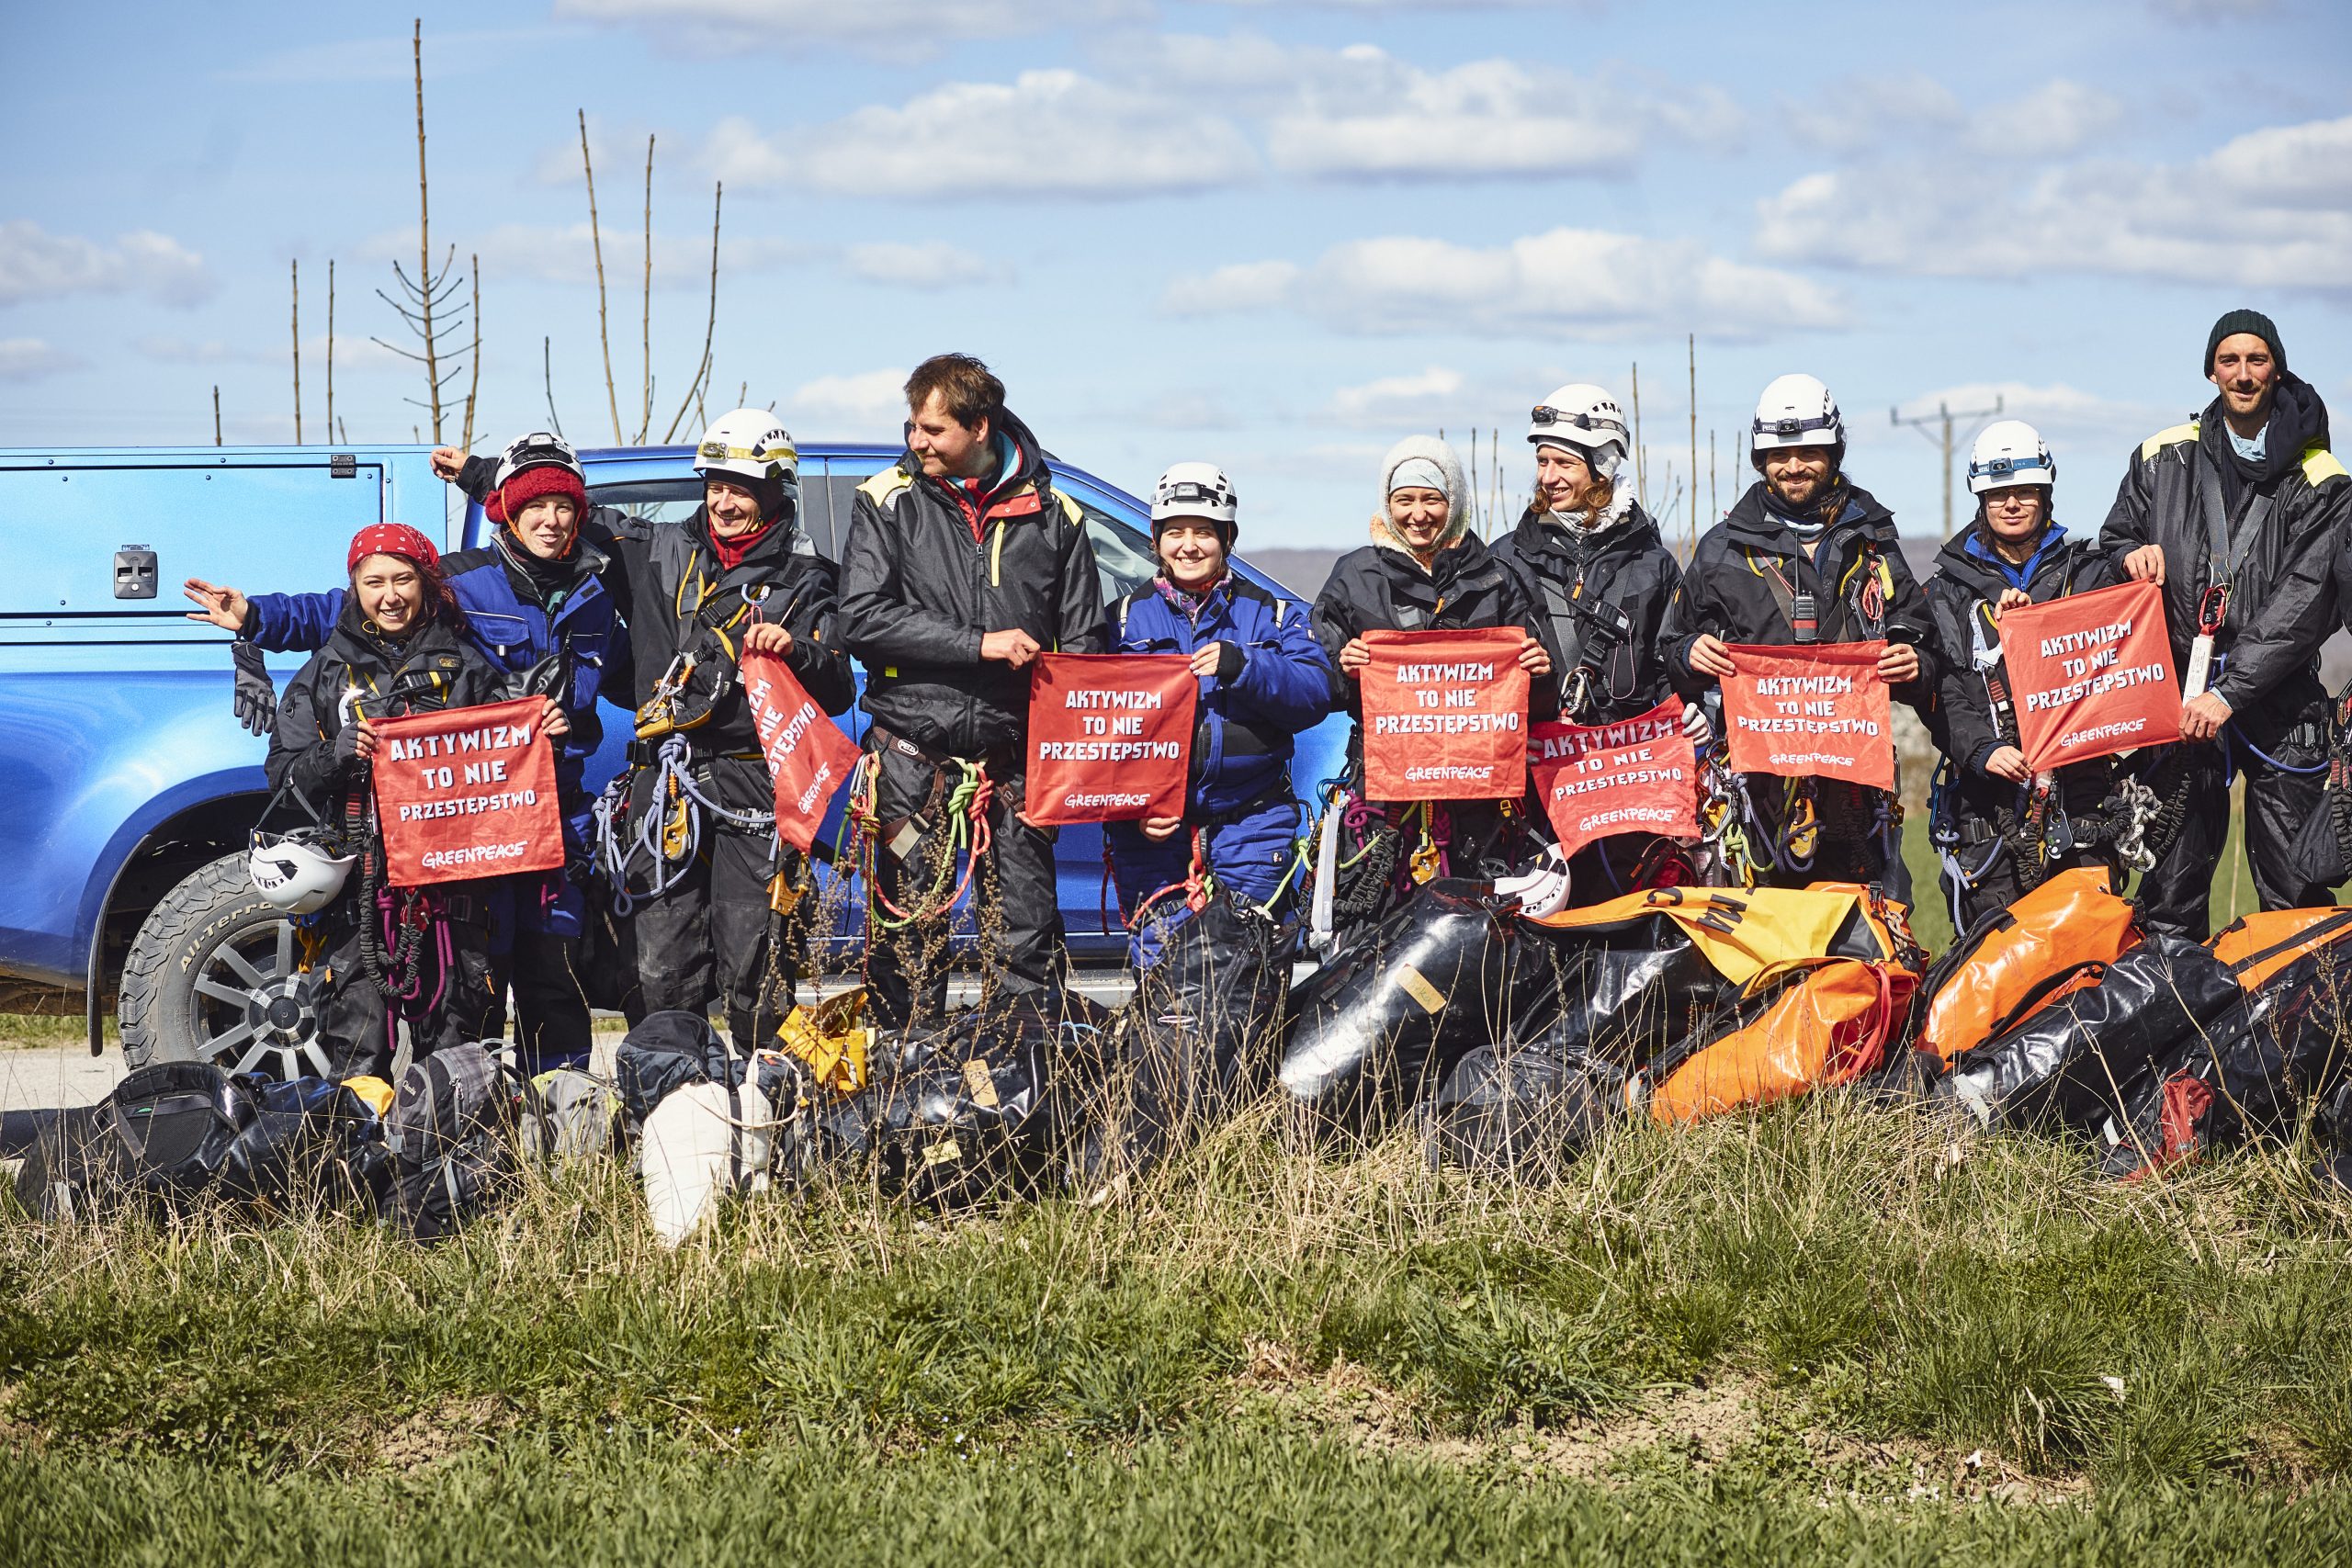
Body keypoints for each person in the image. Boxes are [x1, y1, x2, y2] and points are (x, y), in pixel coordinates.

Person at [188, 434, 628, 1071]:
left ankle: (543, 1110)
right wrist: (257, 619)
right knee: (416, 997)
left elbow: (635, 670)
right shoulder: (460, 582)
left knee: (543, 975)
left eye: (564, 507)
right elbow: (346, 609)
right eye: (534, 505)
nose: (551, 520)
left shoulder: (597, 593)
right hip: (420, 848)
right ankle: (408, 1120)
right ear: (508, 511)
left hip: (540, 821)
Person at [838, 355, 1106, 1034]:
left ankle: (1022, 1079)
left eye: (933, 429)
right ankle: (905, 1083)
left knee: (1025, 940)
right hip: (910, 763)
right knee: (908, 941)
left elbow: (1086, 651)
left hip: (1015, 768)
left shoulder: (1056, 514)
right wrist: (978, 643)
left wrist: (1061, 771)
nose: (917, 442)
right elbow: (861, 618)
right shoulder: (886, 499)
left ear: (979, 426)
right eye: (912, 426)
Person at [590, 410, 854, 1055]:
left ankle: (765, 1102)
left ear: (775, 491)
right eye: (715, 486)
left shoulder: (809, 576)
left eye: (741, 489)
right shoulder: (656, 550)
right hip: (664, 785)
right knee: (659, 967)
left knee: (756, 965)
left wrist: (797, 652)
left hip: (753, 785)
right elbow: (564, 509)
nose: (724, 502)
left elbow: (839, 687)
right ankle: (670, 1097)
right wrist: (483, 475)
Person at [262, 525, 546, 1078]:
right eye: (375, 582)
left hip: (453, 893)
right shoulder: (324, 671)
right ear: (355, 588)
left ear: (426, 583)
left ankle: (452, 1136)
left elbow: (510, 759)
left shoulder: (469, 666)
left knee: (456, 1052)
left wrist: (544, 731)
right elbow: (282, 775)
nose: (390, 596)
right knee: (355, 1048)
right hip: (358, 891)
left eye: (403, 579)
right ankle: (358, 1136)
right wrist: (334, 755)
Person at [2102, 310, 2348, 939]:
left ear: (2276, 370)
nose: (2243, 374)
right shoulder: (2161, 457)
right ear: (2210, 371)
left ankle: (2302, 1005)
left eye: (2257, 360)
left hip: (2278, 697)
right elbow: (2114, 538)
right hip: (2179, 695)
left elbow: (2306, 600)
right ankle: (2177, 1000)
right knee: (2169, 886)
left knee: (2297, 891)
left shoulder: (2320, 478)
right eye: (2229, 360)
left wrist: (2230, 691)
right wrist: (2128, 554)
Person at [1660, 374, 1936, 893]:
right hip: (1756, 792)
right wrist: (1689, 654)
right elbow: (1670, 651)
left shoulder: (1873, 541)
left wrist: (1913, 661)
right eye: (1778, 454)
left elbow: (1922, 640)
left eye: (1808, 452)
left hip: (1855, 789)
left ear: (1833, 453)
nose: (1793, 466)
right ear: (1760, 459)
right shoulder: (1721, 549)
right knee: (1765, 931)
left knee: (1858, 926)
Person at [1310, 435, 1553, 938]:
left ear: (1455, 500)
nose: (1418, 515)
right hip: (1383, 796)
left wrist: (1538, 671)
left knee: (1476, 936)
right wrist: (1342, 665)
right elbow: (1317, 681)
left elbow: (1537, 699)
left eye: (1432, 499)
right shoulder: (1354, 575)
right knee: (1378, 934)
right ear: (1387, 502)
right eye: (1405, 500)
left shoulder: (1497, 577)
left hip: (1480, 801)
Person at [1104, 463, 1331, 968]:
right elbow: (1091, 733)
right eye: (1175, 533)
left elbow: (1315, 693)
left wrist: (1245, 666)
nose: (1189, 546)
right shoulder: (1118, 623)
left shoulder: (1274, 615)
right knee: (1163, 977)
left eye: (1204, 532)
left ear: (1228, 538)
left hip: (1253, 824)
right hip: (1152, 833)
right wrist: (1135, 807)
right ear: (1155, 540)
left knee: (1246, 971)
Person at [1487, 382, 1696, 898]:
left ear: (1602, 465)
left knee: (1627, 921)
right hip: (1534, 795)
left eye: (1564, 464)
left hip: (1629, 797)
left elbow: (1668, 662)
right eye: (1542, 462)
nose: (1548, 477)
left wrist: (1694, 711)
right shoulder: (1504, 561)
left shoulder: (1654, 565)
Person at [1925, 421, 2127, 932]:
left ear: (2046, 493)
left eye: (2025, 492)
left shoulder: (2091, 575)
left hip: (2082, 797)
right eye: (1998, 494)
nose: (2012, 504)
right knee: (1998, 959)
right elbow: (1941, 689)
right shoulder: (1946, 592)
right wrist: (1982, 750)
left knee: (2089, 949)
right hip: (1986, 801)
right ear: (1981, 499)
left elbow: (2123, 666)